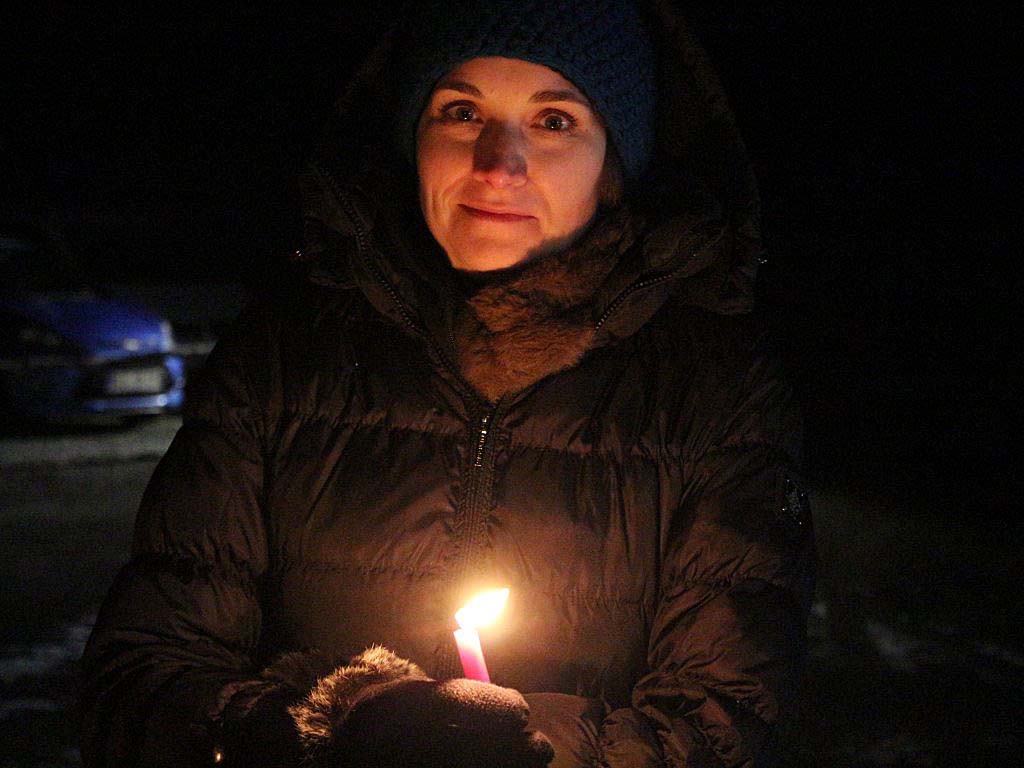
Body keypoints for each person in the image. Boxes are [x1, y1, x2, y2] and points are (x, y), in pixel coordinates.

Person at [80, 1, 816, 766]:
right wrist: (329, 732)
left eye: (555, 121)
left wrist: (521, 751)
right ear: (413, 138)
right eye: (462, 112)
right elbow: (142, 681)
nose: (497, 163)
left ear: (613, 169)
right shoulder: (282, 355)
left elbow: (722, 724)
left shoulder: (718, 393)